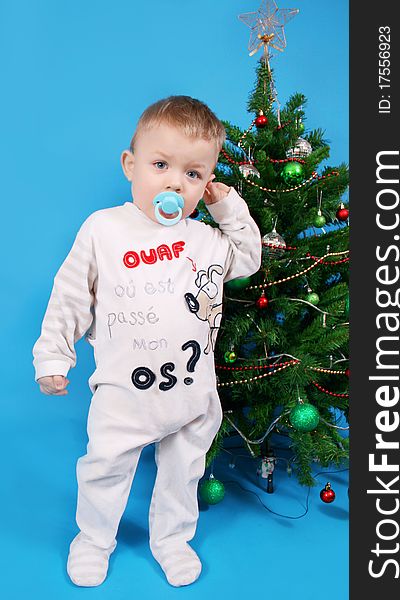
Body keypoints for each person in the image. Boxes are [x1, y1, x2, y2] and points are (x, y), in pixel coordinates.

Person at [32, 95, 261, 588]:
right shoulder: (105, 229)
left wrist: (226, 206)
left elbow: (247, 260)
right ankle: (92, 540)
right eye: (161, 165)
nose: (176, 182)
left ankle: (171, 540)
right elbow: (70, 294)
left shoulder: (204, 238)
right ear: (130, 166)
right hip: (124, 392)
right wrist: (54, 354)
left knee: (184, 472)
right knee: (104, 469)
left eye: (195, 174)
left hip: (192, 391)